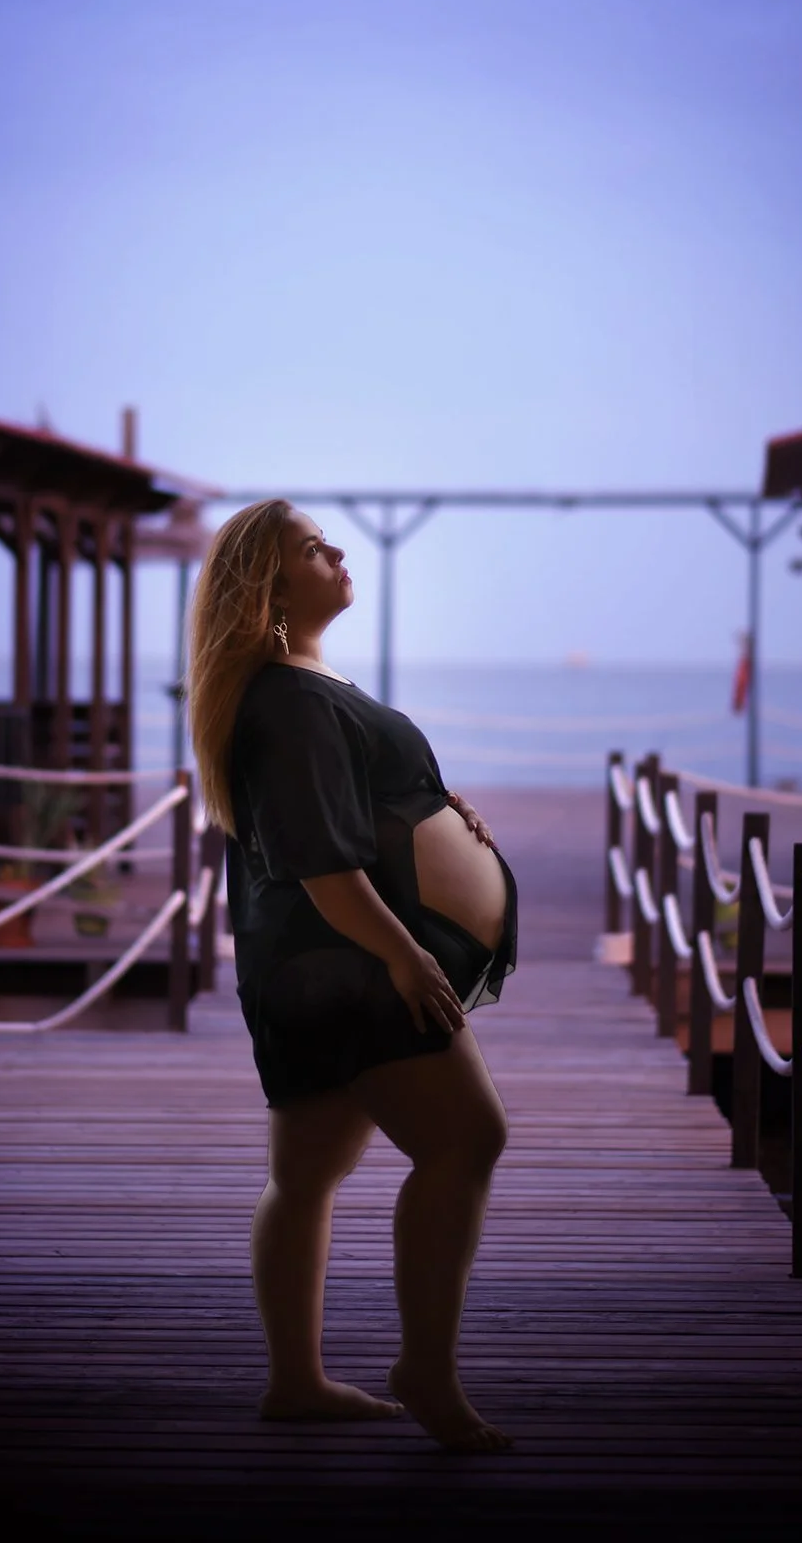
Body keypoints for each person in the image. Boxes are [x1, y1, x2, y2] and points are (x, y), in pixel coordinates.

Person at [186, 500, 518, 1453]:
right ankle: (426, 1370)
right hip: (349, 967)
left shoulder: (298, 682)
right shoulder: (287, 700)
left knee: (308, 1172)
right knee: (468, 1140)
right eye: (311, 547)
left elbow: (346, 813)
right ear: (272, 585)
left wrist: (432, 810)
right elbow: (325, 866)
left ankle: (296, 1381)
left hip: (319, 964)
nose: (337, 552)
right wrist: (408, 958)